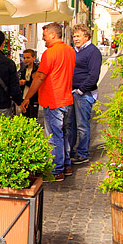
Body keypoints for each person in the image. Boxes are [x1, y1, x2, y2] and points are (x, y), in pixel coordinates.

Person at [20, 22, 76, 181]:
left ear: (52, 35)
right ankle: (66, 165)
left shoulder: (49, 53)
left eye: (44, 36)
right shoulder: (70, 51)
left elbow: (39, 77)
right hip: (66, 99)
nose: (43, 39)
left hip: (53, 100)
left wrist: (27, 97)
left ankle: (56, 170)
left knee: (54, 136)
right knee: (63, 134)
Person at [67, 24, 102, 166]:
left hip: (83, 94)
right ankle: (71, 151)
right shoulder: (75, 51)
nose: (75, 39)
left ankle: (83, 153)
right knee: (70, 124)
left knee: (82, 124)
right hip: (72, 92)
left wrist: (80, 90)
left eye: (78, 36)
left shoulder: (93, 52)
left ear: (86, 36)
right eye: (74, 36)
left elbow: (94, 75)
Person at [19, 49, 39, 119]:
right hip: (24, 96)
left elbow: (36, 84)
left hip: (33, 98)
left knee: (33, 117)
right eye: (24, 58)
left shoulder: (37, 69)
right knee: (24, 117)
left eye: (28, 57)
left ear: (33, 57)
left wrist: (25, 82)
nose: (26, 60)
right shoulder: (23, 70)